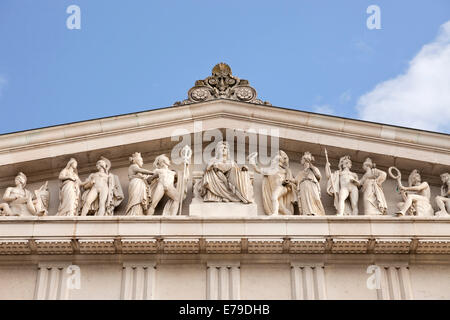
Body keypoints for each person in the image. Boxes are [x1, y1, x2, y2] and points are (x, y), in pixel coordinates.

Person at [295, 152, 325, 216]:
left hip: (312, 185)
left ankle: (318, 213)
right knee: (305, 201)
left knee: (316, 199)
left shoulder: (314, 169)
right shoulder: (300, 173)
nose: (301, 160)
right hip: (303, 187)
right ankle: (306, 213)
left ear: (306, 160)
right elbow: (295, 180)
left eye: (302, 159)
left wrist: (311, 166)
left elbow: (319, 177)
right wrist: (288, 180)